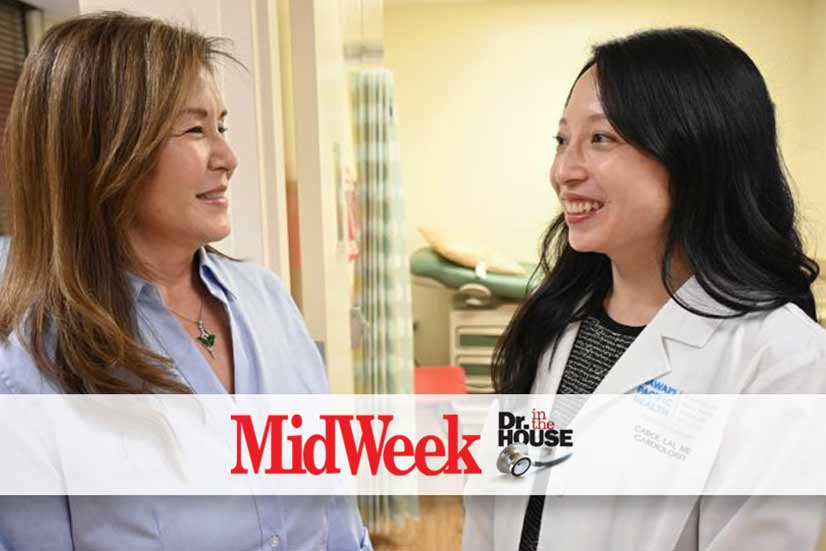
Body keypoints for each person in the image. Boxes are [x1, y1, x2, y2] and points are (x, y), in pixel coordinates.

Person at [0, 12, 372, 551]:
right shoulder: (30, 364)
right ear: (104, 149)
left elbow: (337, 516)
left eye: (221, 126)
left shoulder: (268, 302)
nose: (227, 157)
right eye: (195, 129)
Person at [463, 28, 826, 551]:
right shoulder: (555, 318)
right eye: (563, 140)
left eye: (601, 138)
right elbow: (491, 505)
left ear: (695, 153)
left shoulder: (779, 357)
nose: (563, 170)